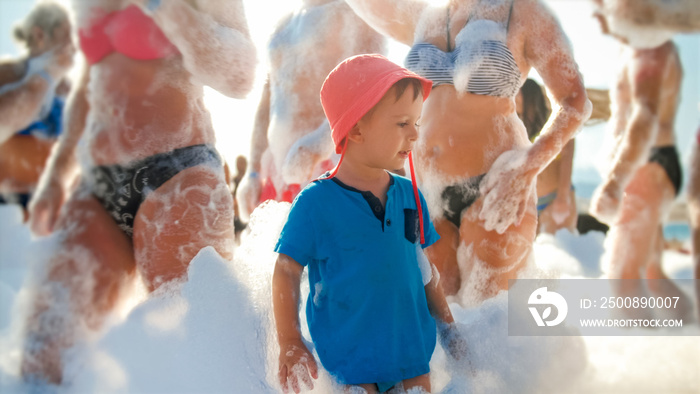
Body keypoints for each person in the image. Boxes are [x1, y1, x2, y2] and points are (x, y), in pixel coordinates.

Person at [21, 0, 256, 384]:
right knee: (44, 357)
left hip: (179, 174)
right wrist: (55, 177)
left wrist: (169, 9)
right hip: (97, 179)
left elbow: (240, 75)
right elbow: (89, 83)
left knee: (192, 354)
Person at [345, 0, 591, 298]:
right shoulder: (426, 18)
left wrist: (526, 169)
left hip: (496, 186)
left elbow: (574, 101)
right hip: (429, 196)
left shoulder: (523, 11)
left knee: (489, 321)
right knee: (443, 328)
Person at [272, 54, 465, 394]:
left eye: (417, 123)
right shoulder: (316, 204)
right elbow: (286, 269)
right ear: (357, 128)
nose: (415, 135)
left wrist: (450, 331)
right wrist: (290, 339)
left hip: (412, 356)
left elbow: (423, 269)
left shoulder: (409, 195)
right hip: (351, 363)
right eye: (402, 123)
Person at [237, 0, 385, 221]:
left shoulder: (356, 10)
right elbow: (268, 100)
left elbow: (372, 84)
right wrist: (253, 171)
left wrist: (318, 145)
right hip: (278, 171)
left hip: (333, 163)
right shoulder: (283, 23)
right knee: (275, 254)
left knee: (332, 252)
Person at [589, 9, 689, 312]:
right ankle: (686, 341)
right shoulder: (640, 47)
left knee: (623, 279)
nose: (596, 12)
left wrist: (615, 183)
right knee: (652, 276)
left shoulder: (650, 49)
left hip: (646, 167)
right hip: (654, 166)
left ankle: (647, 358)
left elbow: (644, 117)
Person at [0, 2, 74, 217]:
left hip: (57, 206)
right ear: (40, 35)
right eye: (68, 37)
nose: (75, 46)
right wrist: (45, 77)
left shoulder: (69, 89)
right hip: (8, 206)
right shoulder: (7, 73)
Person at [516, 78, 577, 235]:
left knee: (556, 254)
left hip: (555, 199)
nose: (513, 97)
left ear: (530, 96)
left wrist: (563, 198)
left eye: (517, 93)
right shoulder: (518, 128)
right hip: (530, 205)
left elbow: (567, 159)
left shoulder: (556, 123)